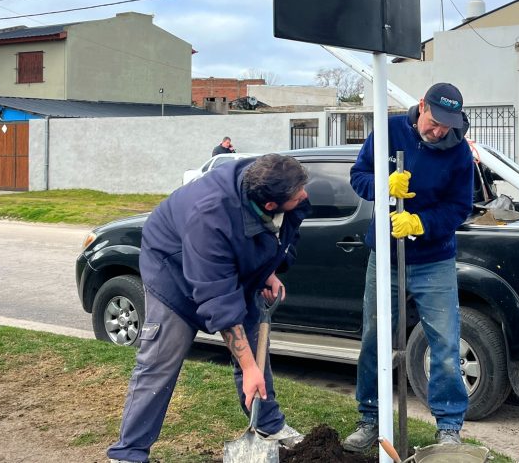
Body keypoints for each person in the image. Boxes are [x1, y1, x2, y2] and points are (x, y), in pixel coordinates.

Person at [107, 153, 310, 463]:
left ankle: (268, 425)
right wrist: (248, 367)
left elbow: (270, 236)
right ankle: (128, 453)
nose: (304, 196)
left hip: (228, 271)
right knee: (161, 360)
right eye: (297, 195)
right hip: (172, 271)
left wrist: (268, 270)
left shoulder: (266, 178)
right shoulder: (210, 218)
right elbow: (220, 304)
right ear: (270, 205)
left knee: (255, 351)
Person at [342, 83, 474, 453]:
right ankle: (370, 419)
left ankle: (449, 427)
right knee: (374, 339)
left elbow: (459, 208)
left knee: (446, 343)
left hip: (434, 261)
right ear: (421, 107)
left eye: (447, 126)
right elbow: (358, 177)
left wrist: (420, 223)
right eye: (434, 122)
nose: (438, 131)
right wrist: (384, 186)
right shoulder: (387, 131)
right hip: (384, 258)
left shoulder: (459, 153)